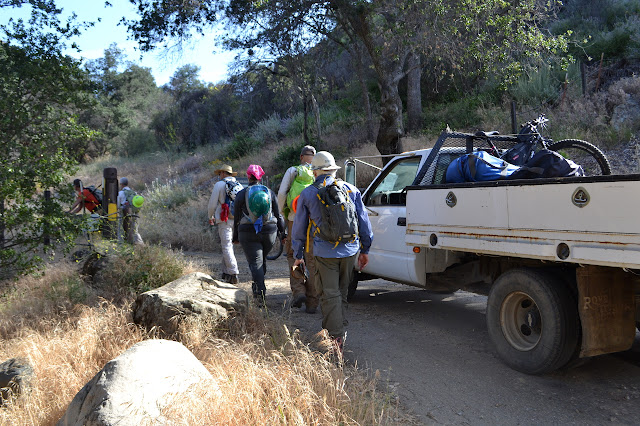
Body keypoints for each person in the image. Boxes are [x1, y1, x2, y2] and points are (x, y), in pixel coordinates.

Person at [291, 151, 373, 356]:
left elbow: (299, 227)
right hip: (350, 250)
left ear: (315, 171)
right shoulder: (351, 189)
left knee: (329, 294)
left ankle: (335, 340)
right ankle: (339, 331)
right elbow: (364, 223)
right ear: (334, 170)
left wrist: (298, 254)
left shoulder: (308, 193)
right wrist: (365, 249)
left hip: (324, 251)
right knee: (342, 292)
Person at [233, 164, 284, 306]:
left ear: (248, 176)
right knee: (260, 261)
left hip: (247, 232)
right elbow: (278, 215)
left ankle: (260, 294)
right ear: (260, 177)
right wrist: (283, 233)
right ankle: (257, 286)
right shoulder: (269, 192)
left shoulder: (242, 194)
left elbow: (236, 217)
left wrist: (235, 236)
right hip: (270, 232)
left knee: (256, 262)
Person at [277, 145, 319, 313]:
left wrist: (284, 213)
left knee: (293, 255)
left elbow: (281, 194)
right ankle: (312, 302)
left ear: (301, 157)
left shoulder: (293, 171)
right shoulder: (319, 172)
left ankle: (299, 291)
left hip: (294, 219)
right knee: (312, 260)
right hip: (314, 222)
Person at [208, 164, 241, 284]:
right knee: (228, 245)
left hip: (224, 218)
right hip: (237, 219)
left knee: (226, 245)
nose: (219, 176)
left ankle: (233, 272)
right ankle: (226, 272)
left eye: (219, 173)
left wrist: (210, 215)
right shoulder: (238, 185)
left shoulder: (219, 184)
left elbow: (212, 204)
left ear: (222, 173)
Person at [117, 177, 144, 245]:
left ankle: (121, 243)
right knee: (134, 229)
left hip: (124, 213)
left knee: (121, 229)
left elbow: (117, 206)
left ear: (121, 184)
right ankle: (139, 243)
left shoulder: (120, 193)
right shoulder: (134, 192)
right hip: (134, 213)